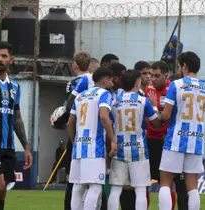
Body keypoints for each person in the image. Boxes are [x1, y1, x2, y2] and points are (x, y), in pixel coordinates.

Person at [51, 51, 108, 210]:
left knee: (77, 183)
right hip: (94, 136)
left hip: (79, 135)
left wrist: (59, 119)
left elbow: (70, 106)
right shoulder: (97, 87)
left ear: (74, 65)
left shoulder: (77, 82)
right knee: (94, 183)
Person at [157, 51, 205, 210]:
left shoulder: (176, 84)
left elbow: (166, 115)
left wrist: (156, 112)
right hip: (196, 140)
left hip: (176, 139)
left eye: (180, 66)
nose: (179, 69)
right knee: (192, 185)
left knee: (166, 182)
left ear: (184, 66)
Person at [0, 41, 33, 209]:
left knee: (1, 191)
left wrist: (26, 147)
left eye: (4, 56)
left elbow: (17, 118)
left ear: (11, 60)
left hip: (8, 148)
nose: (0, 59)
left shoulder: (15, 87)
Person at [107, 70, 161, 210]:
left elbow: (109, 123)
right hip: (139, 149)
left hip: (119, 148)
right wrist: (155, 106)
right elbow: (156, 123)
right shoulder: (143, 101)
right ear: (137, 83)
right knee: (141, 189)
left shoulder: (114, 102)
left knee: (115, 190)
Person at [67, 67, 117, 210]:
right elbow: (103, 116)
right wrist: (113, 139)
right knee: (95, 187)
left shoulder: (80, 95)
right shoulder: (104, 94)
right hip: (95, 147)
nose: (112, 81)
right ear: (104, 79)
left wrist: (74, 141)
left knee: (77, 187)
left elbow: (70, 122)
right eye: (110, 78)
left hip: (79, 147)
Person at [146, 61, 188, 210]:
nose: (153, 79)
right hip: (150, 142)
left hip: (168, 143)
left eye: (156, 76)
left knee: (171, 183)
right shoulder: (148, 90)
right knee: (145, 182)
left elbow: (170, 116)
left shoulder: (174, 89)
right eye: (151, 75)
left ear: (166, 76)